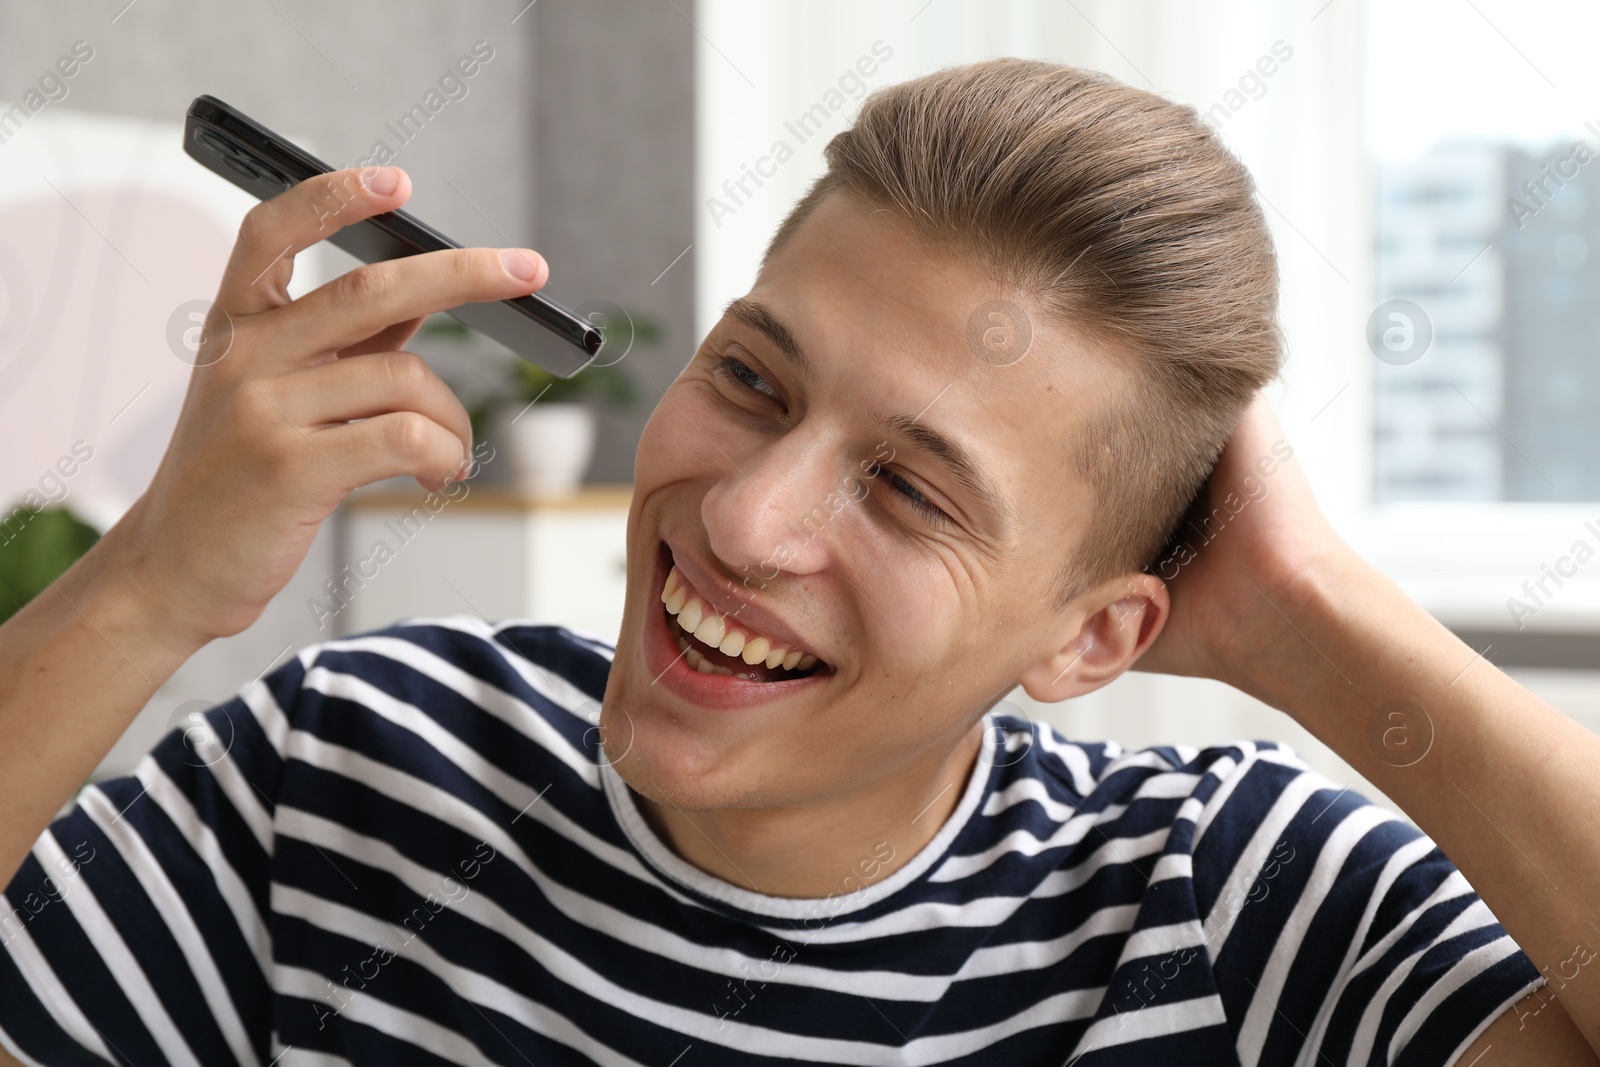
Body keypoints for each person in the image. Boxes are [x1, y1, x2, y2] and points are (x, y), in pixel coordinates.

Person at [0, 57, 1595, 1066]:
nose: (746, 518)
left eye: (909, 491)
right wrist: (147, 587)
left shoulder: (1227, 905)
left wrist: (1319, 617)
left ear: (1098, 638)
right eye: (753, 380)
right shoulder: (357, 762)